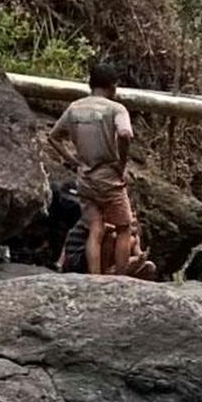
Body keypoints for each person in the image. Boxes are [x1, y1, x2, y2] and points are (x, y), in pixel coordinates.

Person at [48, 63, 136, 276]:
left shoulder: (75, 108)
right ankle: (121, 279)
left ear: (91, 83)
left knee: (95, 228)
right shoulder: (116, 109)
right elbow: (125, 134)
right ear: (113, 86)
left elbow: (53, 137)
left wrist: (72, 160)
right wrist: (121, 163)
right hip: (108, 177)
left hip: (85, 177)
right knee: (124, 227)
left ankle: (94, 278)